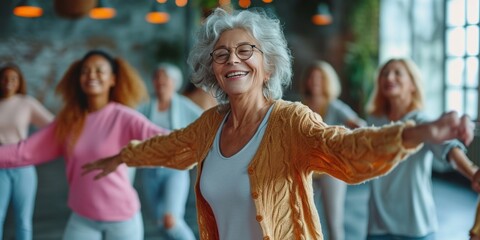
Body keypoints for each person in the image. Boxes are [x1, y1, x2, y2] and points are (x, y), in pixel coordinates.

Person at [82, 8, 476, 240]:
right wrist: (122, 157)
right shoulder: (209, 125)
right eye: (221, 55)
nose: (232, 60)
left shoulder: (290, 120)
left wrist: (420, 132)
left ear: (267, 63)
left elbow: (348, 150)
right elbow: (170, 145)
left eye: (244, 50)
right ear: (212, 71)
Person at [0, 50, 169, 240]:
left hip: (122, 219)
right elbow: (24, 152)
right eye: (85, 71)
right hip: (82, 218)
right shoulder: (69, 122)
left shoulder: (124, 117)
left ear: (113, 79)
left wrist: (123, 157)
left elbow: (167, 142)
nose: (91, 75)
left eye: (99, 70)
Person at [364, 58, 480, 240]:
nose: (389, 77)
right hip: (378, 224)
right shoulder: (374, 120)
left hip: (416, 225)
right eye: (385, 73)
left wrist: (472, 173)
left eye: (397, 72)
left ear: (412, 84)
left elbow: (448, 149)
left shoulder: (420, 120)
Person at [301, 60, 366, 240]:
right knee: (304, 218)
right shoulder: (301, 106)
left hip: (332, 170)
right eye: (311, 78)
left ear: (327, 81)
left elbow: (360, 126)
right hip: (308, 170)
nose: (314, 82)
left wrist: (348, 143)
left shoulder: (334, 106)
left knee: (333, 222)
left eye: (319, 78)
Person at [137, 62, 201, 240]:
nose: (160, 81)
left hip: (175, 170)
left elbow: (205, 124)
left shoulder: (183, 105)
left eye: (164, 77)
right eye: (156, 77)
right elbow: (129, 123)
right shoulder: (147, 106)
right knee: (160, 220)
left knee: (170, 220)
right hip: (149, 171)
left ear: (174, 82)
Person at [0, 63, 54, 240]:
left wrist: (34, 146)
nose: (8, 82)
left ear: (19, 82)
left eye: (13, 78)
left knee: (23, 220)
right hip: (0, 167)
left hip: (23, 167)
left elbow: (53, 126)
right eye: (5, 78)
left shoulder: (26, 103)